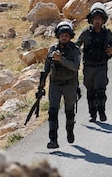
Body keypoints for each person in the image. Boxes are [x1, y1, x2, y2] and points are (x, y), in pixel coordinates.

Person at [38, 20, 81, 149]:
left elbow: (75, 67)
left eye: (67, 35)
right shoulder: (52, 49)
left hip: (70, 84)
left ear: (70, 36)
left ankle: (69, 129)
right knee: (52, 112)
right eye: (62, 34)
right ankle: (53, 140)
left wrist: (61, 59)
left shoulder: (75, 50)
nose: (64, 37)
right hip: (55, 84)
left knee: (69, 110)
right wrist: (41, 85)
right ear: (58, 35)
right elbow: (46, 68)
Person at [76, 2, 112, 123]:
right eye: (95, 19)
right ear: (91, 20)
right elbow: (77, 44)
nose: (97, 21)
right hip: (88, 66)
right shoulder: (86, 33)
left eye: (99, 19)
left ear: (103, 20)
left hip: (101, 66)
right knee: (90, 91)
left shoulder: (107, 33)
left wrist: (111, 49)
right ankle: (92, 114)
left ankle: (102, 111)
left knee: (101, 90)